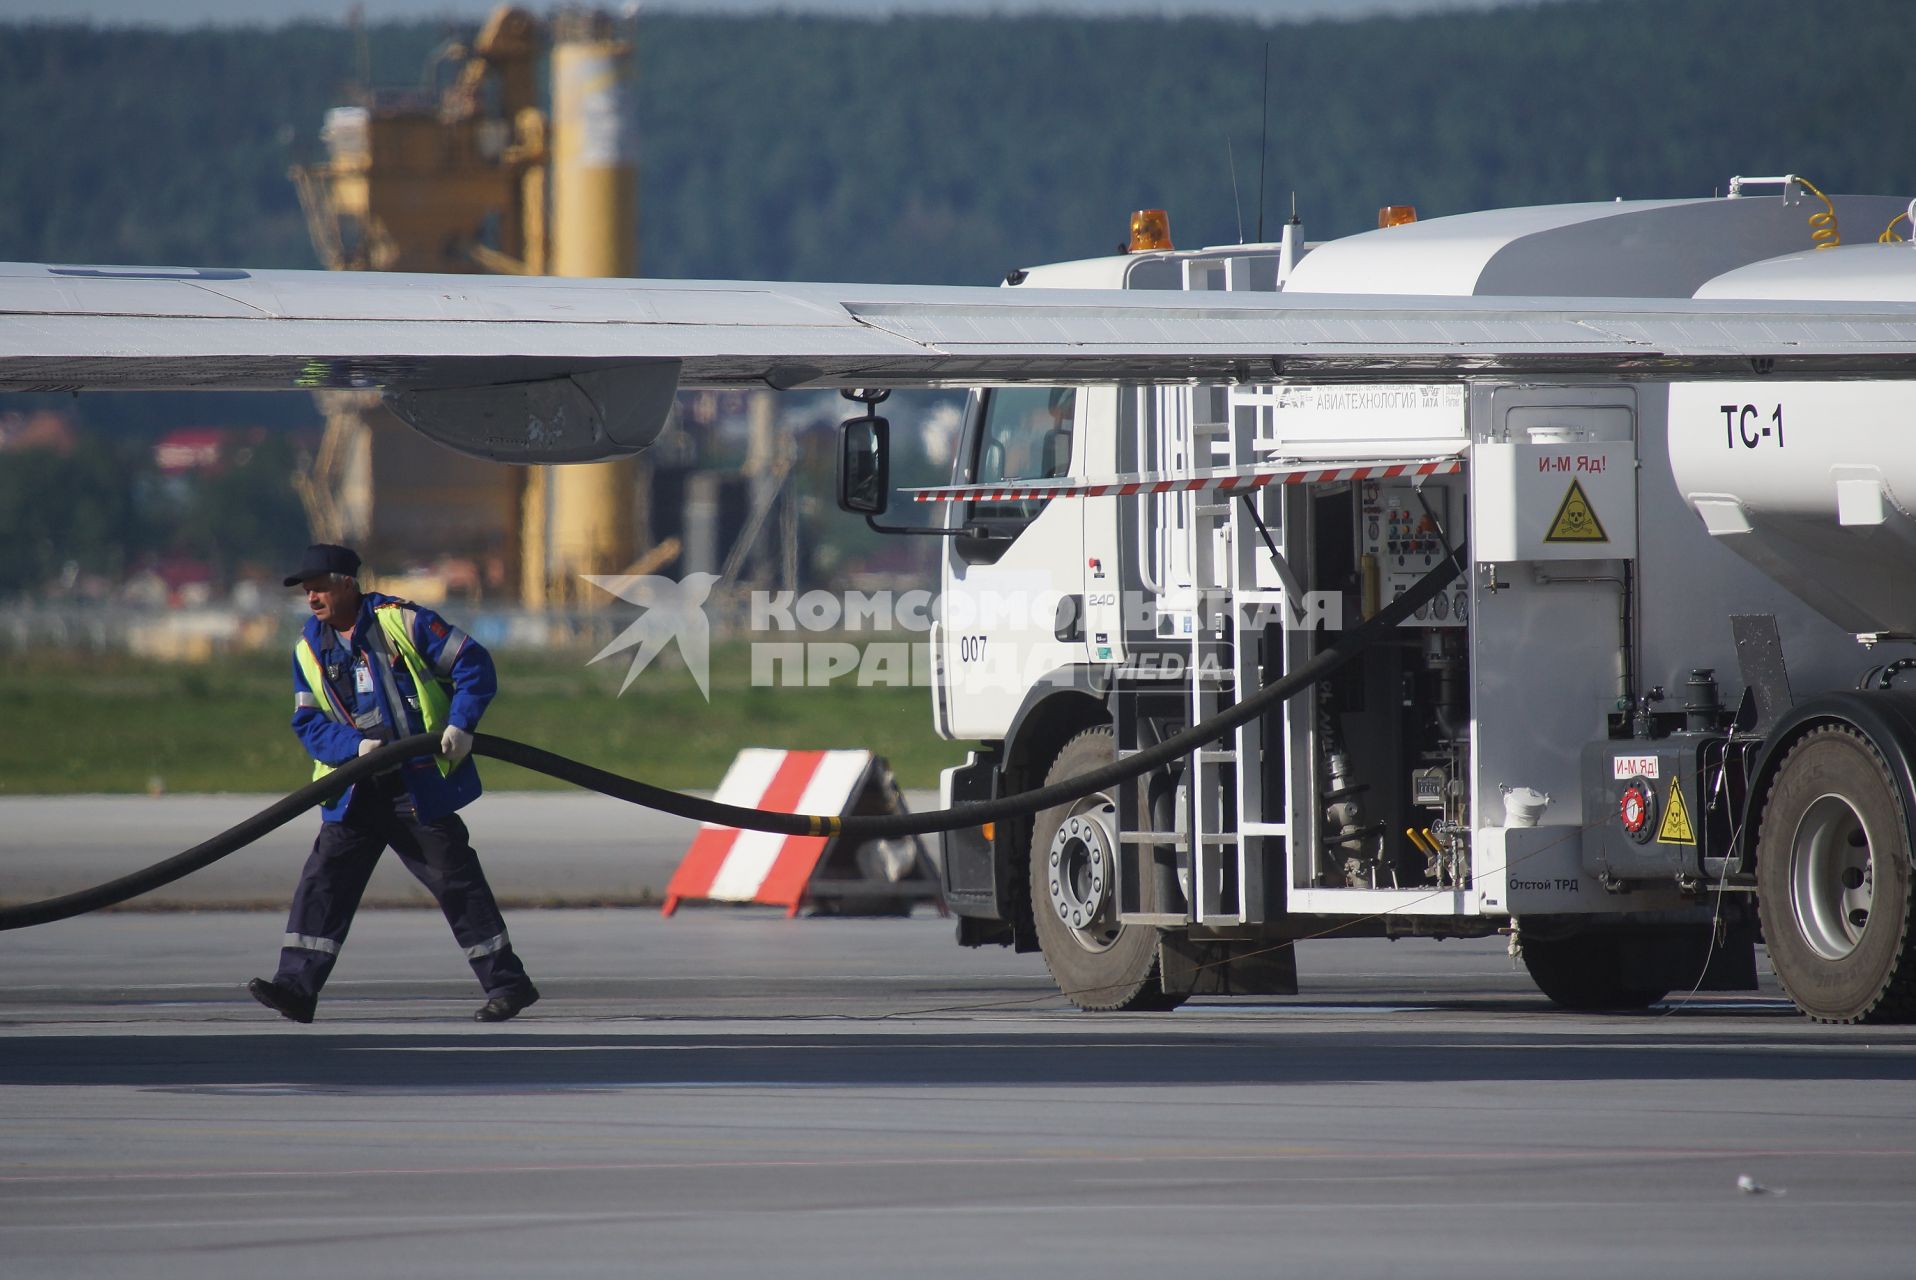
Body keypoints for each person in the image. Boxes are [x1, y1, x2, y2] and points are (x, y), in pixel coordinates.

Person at [247, 544, 540, 1024]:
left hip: (415, 784)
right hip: (355, 790)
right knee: (324, 884)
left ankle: (509, 985)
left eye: (320, 586)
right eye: (307, 589)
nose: (312, 597)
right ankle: (296, 989)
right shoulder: (307, 648)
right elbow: (308, 722)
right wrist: (353, 749)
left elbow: (474, 665)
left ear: (347, 583)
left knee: (456, 881)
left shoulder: (402, 622)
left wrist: (462, 725)